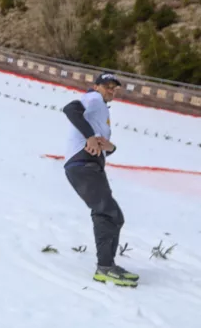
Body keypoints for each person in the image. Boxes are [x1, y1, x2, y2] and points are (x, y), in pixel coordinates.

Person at [62, 72, 138, 287]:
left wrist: (110, 147)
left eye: (114, 87)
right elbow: (71, 109)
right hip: (82, 165)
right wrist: (88, 137)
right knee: (108, 213)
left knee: (114, 216)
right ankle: (104, 268)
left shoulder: (101, 109)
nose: (111, 90)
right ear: (96, 86)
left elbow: (100, 146)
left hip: (90, 166)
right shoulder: (93, 99)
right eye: (107, 86)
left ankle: (108, 265)